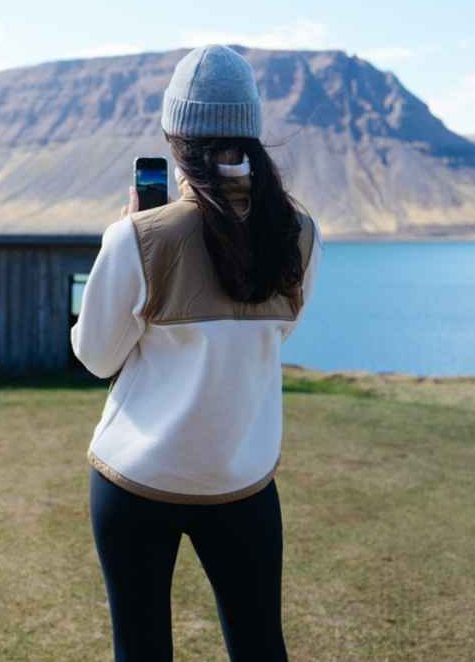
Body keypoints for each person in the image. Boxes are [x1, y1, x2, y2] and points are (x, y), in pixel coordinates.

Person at [70, 44, 323, 662]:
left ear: (175, 135)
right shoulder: (300, 234)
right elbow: (272, 336)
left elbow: (96, 357)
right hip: (243, 478)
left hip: (137, 480)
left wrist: (133, 235)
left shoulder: (138, 237)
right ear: (252, 133)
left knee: (141, 649)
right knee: (260, 644)